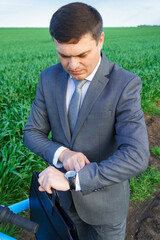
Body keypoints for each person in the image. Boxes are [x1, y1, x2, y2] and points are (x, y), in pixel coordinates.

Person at [23, 2, 150, 240]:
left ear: (100, 40)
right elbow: (32, 132)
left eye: (82, 55)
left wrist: (72, 180)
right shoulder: (48, 78)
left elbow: (136, 156)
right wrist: (63, 154)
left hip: (105, 209)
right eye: (63, 55)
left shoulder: (125, 84)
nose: (73, 65)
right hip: (63, 205)